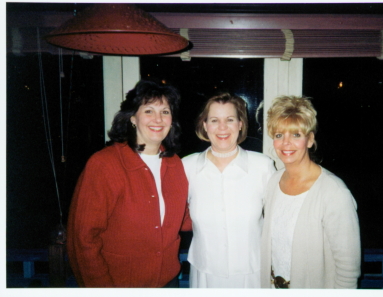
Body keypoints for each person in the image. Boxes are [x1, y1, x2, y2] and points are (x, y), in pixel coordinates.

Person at [66, 79, 191, 288]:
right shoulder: (105, 164)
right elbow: (83, 238)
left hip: (168, 282)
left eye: (165, 112)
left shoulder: (175, 163)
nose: (158, 119)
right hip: (119, 283)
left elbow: (185, 219)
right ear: (133, 118)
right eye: (149, 111)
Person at [260, 96, 361, 289]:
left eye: (296, 135)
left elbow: (348, 271)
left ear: (310, 139)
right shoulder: (274, 182)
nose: (286, 143)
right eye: (279, 135)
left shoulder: (334, 193)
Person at [182, 92, 276, 288]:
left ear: (240, 124)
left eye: (230, 119)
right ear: (205, 125)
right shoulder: (187, 167)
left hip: (253, 274)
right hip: (204, 275)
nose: (222, 127)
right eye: (214, 120)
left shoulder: (263, 166)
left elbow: (278, 221)